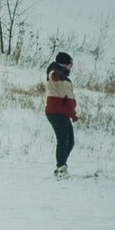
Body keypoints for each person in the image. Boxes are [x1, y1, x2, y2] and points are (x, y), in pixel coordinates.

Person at [45, 51, 77, 179]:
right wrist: (59, 74)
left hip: (63, 112)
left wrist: (72, 113)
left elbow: (68, 98)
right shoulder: (54, 73)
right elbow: (54, 75)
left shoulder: (65, 78)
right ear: (64, 64)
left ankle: (60, 166)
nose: (71, 68)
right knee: (63, 141)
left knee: (70, 142)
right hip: (55, 112)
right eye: (70, 65)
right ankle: (61, 168)